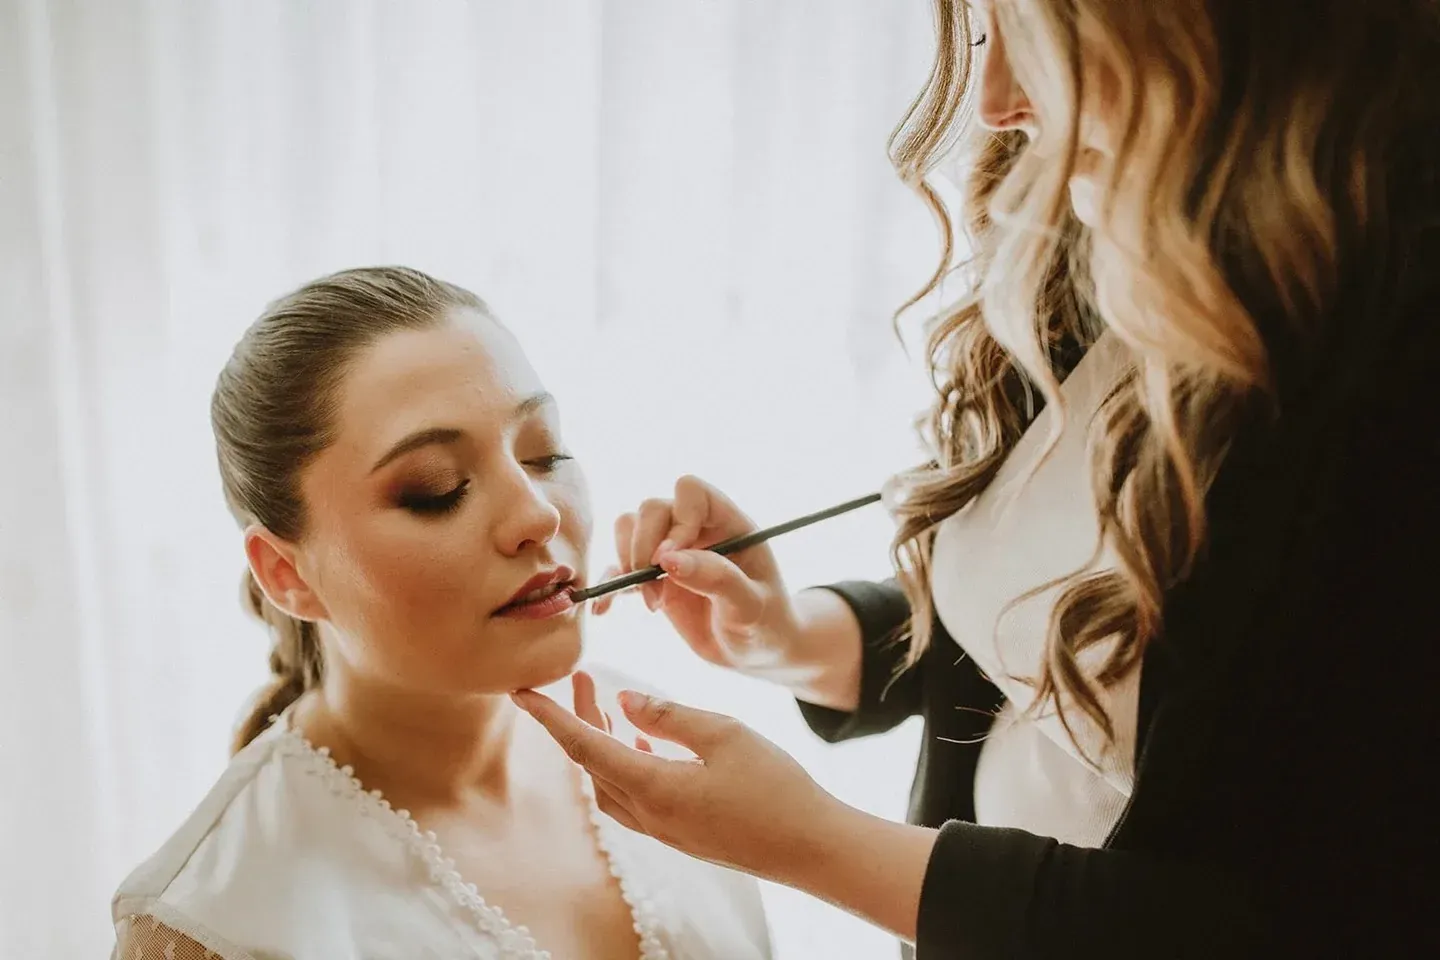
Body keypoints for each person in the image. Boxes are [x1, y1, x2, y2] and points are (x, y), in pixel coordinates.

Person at [513, 0, 1440, 956]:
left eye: (1041, 31)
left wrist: (809, 843)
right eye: (987, 33)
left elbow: (1257, 912)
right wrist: (793, 636)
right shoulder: (1104, 238)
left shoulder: (1393, 379)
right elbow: (1051, 634)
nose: (993, 102)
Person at [109, 267, 772, 960]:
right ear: (287, 573)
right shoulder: (208, 922)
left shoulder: (662, 749)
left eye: (544, 454)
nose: (538, 515)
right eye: (437, 490)